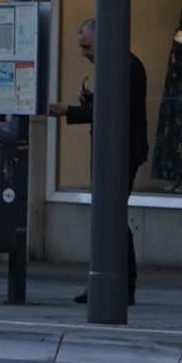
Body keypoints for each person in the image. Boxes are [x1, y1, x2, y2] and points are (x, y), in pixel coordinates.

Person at [48, 16, 149, 305]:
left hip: (121, 153)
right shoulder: (121, 65)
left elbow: (112, 111)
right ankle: (118, 284)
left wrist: (67, 110)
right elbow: (112, 107)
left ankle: (117, 284)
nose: (84, 53)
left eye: (87, 46)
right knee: (111, 217)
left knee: (111, 217)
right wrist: (91, 101)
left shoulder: (123, 66)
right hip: (121, 151)